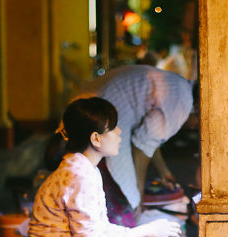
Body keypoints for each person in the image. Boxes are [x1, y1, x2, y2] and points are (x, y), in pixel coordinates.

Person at [28, 97, 182, 237]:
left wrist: (146, 233)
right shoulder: (78, 173)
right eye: (113, 128)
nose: (119, 133)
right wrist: (147, 231)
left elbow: (98, 233)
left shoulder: (81, 168)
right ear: (96, 139)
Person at [73, 65, 194, 219]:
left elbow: (150, 137)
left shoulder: (179, 86)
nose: (120, 132)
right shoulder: (182, 102)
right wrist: (138, 196)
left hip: (92, 102)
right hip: (104, 108)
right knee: (126, 193)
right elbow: (142, 146)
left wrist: (164, 171)